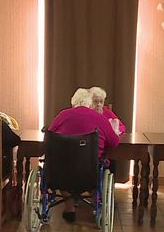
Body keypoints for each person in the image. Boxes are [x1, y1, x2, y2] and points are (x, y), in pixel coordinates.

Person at [49, 88, 120, 222]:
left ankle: (70, 208)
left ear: (73, 102)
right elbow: (114, 142)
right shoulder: (100, 118)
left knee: (63, 169)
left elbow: (49, 135)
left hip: (61, 171)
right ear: (90, 103)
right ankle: (96, 202)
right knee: (98, 170)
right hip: (89, 170)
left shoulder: (62, 115)